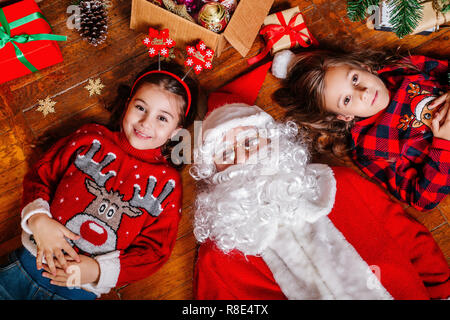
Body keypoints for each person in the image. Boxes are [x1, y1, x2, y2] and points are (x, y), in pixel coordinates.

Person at [190, 63, 450, 300]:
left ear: (274, 141)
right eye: (225, 154)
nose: (242, 157)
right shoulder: (218, 258)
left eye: (249, 142)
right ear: (213, 172)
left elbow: (409, 238)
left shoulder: (341, 184)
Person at [0, 61, 199, 300]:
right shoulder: (90, 138)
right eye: (140, 107)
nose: (146, 123)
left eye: (162, 118)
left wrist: (96, 270)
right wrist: (39, 220)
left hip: (77, 293)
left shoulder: (168, 184)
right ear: (127, 104)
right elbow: (41, 173)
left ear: (176, 132)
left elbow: (155, 251)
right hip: (23, 267)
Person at [271, 49, 449, 211]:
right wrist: (443, 145)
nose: (363, 92)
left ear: (364, 68)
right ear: (344, 116)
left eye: (355, 79)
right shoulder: (369, 148)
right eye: (347, 100)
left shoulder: (402, 69)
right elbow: (421, 199)